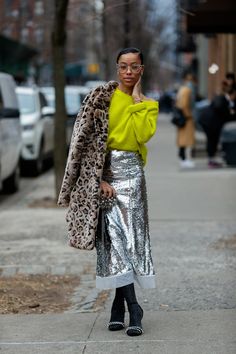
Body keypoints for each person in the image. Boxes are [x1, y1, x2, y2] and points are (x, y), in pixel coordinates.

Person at [58, 47, 159, 336]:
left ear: (141, 70)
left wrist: (138, 101)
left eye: (134, 67)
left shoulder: (149, 105)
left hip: (133, 177)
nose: (128, 71)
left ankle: (118, 306)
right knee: (113, 241)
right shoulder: (101, 97)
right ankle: (134, 307)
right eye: (123, 66)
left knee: (131, 240)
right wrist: (96, 178)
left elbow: (142, 135)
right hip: (106, 177)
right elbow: (85, 140)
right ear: (117, 68)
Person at [198, 77, 236, 168]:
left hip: (211, 122)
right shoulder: (222, 99)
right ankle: (211, 160)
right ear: (232, 94)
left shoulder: (224, 100)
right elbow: (219, 108)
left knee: (213, 140)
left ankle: (212, 159)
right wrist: (229, 113)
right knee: (212, 140)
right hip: (209, 122)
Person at [175, 71, 196, 168]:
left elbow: (178, 103)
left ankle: (183, 158)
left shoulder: (182, 89)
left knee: (182, 139)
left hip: (181, 117)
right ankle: (185, 159)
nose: (191, 81)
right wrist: (188, 115)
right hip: (186, 118)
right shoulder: (187, 90)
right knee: (186, 140)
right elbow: (183, 104)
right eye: (189, 79)